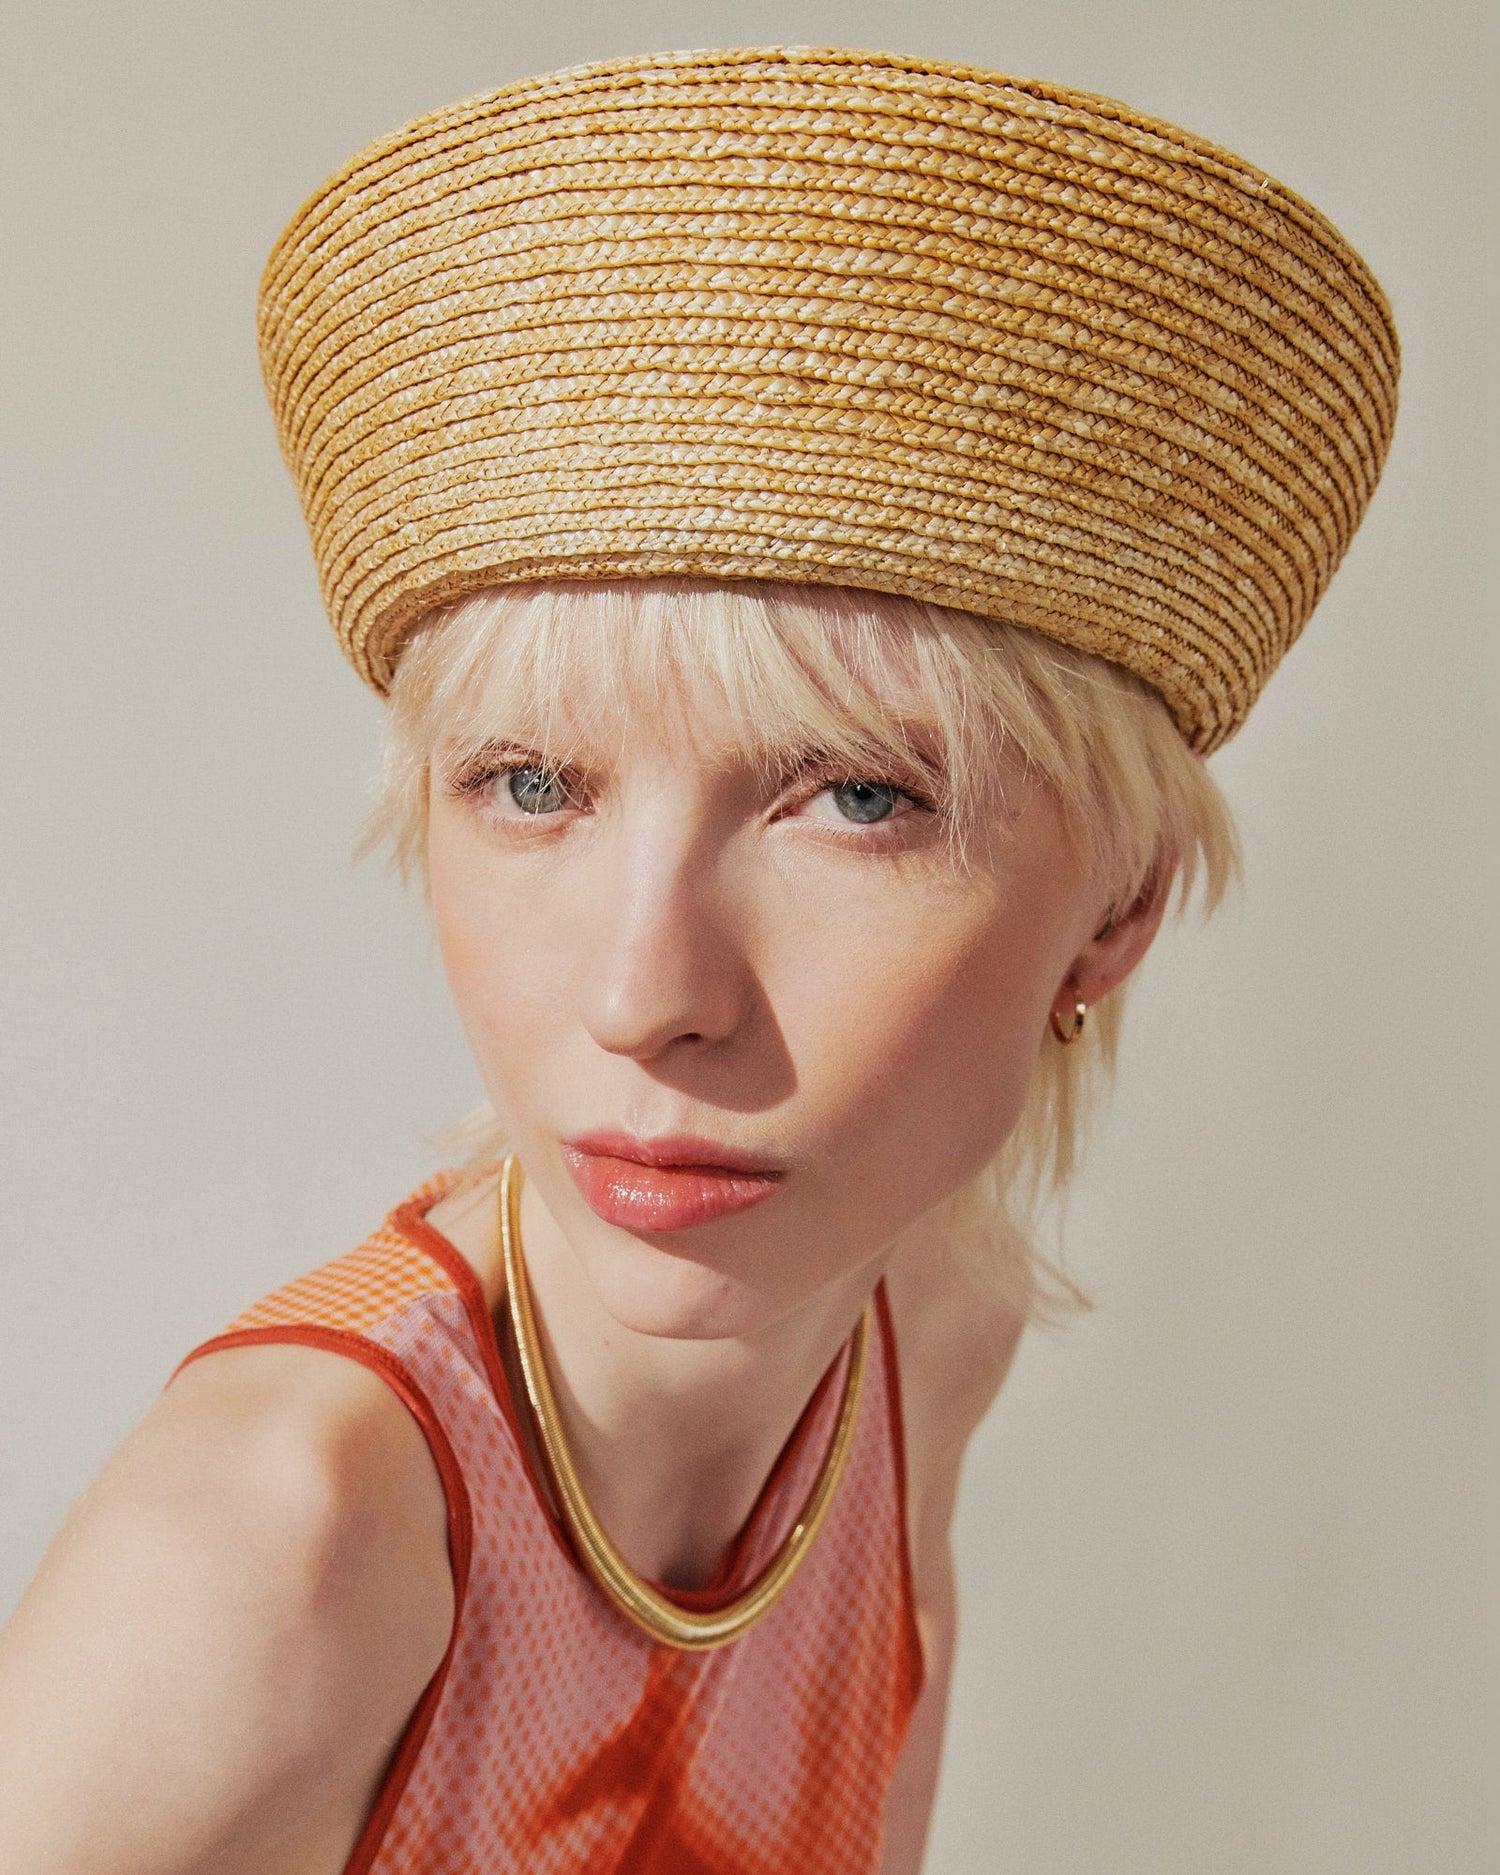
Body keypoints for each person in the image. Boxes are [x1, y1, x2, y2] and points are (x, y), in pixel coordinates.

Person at [0, 45, 1396, 1875]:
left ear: (1117, 910)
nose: (642, 991)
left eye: (858, 800)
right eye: (531, 785)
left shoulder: (922, 1326)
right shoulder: (267, 1553)